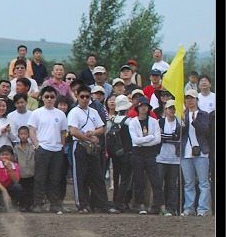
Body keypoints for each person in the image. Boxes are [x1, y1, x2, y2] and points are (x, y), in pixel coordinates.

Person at [67, 86, 119, 214]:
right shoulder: (74, 112)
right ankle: (82, 204)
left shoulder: (94, 112)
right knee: (80, 176)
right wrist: (90, 139)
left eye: (87, 97)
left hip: (92, 148)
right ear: (78, 97)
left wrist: (94, 133)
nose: (85, 99)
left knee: (97, 176)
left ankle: (102, 203)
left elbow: (102, 128)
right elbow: (73, 131)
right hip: (80, 145)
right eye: (82, 96)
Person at [28, 86, 68, 214]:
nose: (49, 99)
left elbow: (63, 132)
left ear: (55, 98)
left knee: (55, 178)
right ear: (42, 98)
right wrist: (37, 145)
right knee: (40, 177)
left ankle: (54, 204)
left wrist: (61, 146)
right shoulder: (36, 113)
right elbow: (32, 130)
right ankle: (38, 203)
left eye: (52, 96)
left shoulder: (60, 114)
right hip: (43, 149)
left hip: (57, 150)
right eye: (47, 96)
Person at [127, 97, 163, 215]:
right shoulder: (133, 122)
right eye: (141, 106)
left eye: (145, 106)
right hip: (137, 153)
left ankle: (158, 205)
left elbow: (158, 139)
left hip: (150, 153)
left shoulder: (154, 121)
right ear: (138, 108)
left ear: (148, 108)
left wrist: (146, 140)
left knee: (155, 180)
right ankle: (140, 204)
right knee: (139, 180)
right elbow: (135, 140)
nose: (143, 108)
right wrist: (150, 137)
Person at [180, 89, 211, 216]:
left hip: (201, 153)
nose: (190, 101)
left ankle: (202, 209)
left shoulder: (204, 114)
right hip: (185, 152)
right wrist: (182, 121)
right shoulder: (182, 114)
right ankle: (189, 208)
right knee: (188, 183)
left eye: (192, 98)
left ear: (196, 100)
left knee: (203, 182)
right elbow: (179, 133)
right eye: (187, 98)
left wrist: (194, 120)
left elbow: (205, 131)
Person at [156, 99, 181, 216]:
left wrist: (168, 137)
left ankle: (172, 207)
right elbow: (159, 137)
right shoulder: (159, 122)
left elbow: (178, 137)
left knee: (172, 185)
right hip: (161, 157)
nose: (172, 110)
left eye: (174, 108)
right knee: (159, 183)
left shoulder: (180, 123)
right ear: (165, 110)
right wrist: (171, 137)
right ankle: (160, 206)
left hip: (175, 159)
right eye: (170, 108)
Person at [0, 145, 23, 210]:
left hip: (9, 188)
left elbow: (16, 181)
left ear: (11, 156)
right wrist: (4, 190)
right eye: (2, 154)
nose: (4, 156)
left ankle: (14, 204)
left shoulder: (15, 165)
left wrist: (10, 169)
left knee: (18, 187)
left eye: (7, 154)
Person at [13, 126, 35, 212]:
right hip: (20, 173)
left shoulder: (32, 146)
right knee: (22, 190)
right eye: (21, 134)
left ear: (28, 135)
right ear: (18, 135)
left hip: (31, 172)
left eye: (25, 134)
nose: (23, 136)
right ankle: (22, 205)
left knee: (30, 190)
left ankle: (29, 205)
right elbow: (15, 160)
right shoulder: (16, 148)